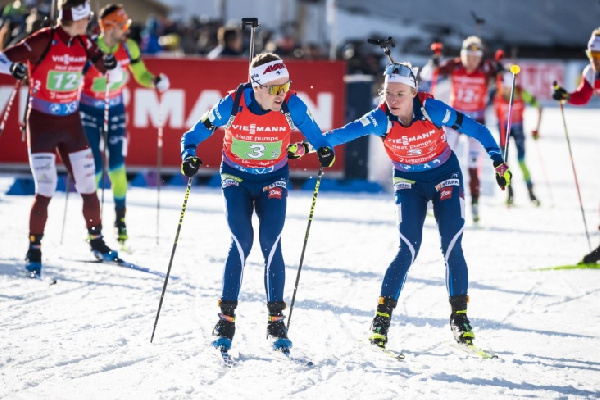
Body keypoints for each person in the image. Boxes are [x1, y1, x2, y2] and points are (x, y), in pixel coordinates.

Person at [316, 61, 511, 349]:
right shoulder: (380, 118)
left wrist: (497, 159)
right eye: (388, 94)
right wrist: (311, 145)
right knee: (407, 247)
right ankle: (381, 319)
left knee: (452, 245)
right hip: (409, 183)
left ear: (413, 92)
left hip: (445, 176)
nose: (393, 100)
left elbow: (476, 128)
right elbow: (343, 133)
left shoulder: (432, 110)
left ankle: (459, 318)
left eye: (400, 94)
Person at [179, 53, 335, 352]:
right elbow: (191, 136)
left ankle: (276, 320)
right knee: (241, 240)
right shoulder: (232, 104)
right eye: (275, 88)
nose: (282, 93)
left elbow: (318, 137)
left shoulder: (292, 105)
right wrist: (189, 156)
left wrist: (324, 149)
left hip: (273, 179)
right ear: (258, 86)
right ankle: (226, 319)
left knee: (271, 242)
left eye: (286, 86)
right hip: (236, 179)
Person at [0, 0, 122, 277]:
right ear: (75, 20)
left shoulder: (85, 42)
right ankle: (34, 247)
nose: (89, 23)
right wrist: (13, 69)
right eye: (85, 19)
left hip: (70, 124)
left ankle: (97, 241)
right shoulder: (44, 39)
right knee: (46, 186)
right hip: (42, 124)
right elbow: (3, 58)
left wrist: (110, 64)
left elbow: (107, 67)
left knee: (88, 182)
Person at [79, 4, 170, 246]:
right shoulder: (91, 47)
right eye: (122, 26)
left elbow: (141, 74)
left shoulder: (128, 47)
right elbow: (79, 75)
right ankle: (93, 227)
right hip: (89, 111)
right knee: (95, 171)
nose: (126, 30)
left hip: (115, 111)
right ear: (109, 27)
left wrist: (155, 81)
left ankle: (120, 221)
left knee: (118, 169)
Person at [433, 36, 503, 223]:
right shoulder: (454, 66)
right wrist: (433, 63)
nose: (471, 62)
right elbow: (428, 74)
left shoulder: (486, 68)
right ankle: (440, 201)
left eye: (475, 57)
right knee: (444, 162)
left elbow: (504, 81)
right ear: (462, 56)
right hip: (455, 122)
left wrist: (502, 69)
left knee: (473, 166)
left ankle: (474, 205)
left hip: (475, 123)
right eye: (468, 57)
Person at [554, 28, 600, 264]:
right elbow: (583, 95)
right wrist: (566, 96)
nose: (595, 61)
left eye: (599, 57)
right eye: (592, 56)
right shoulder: (592, 72)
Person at [494, 68, 542, 206]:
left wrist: (536, 129)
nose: (506, 91)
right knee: (504, 164)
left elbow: (539, 107)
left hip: (518, 130)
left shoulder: (521, 92)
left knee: (521, 161)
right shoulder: (496, 94)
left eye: (509, 88)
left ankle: (531, 193)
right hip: (504, 131)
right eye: (504, 88)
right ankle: (510, 195)